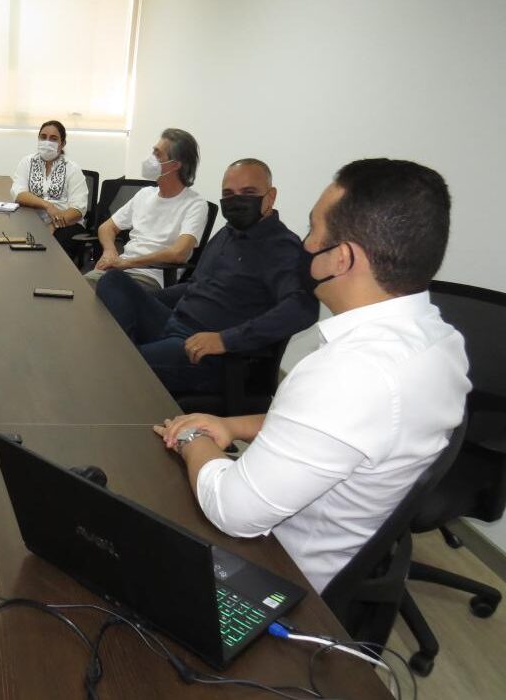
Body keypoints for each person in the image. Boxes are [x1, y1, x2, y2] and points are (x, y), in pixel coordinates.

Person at [157, 158, 470, 593]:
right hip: (327, 543)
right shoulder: (441, 340)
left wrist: (192, 438)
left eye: (313, 230)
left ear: (341, 258)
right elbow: (339, 430)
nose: (305, 245)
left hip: (279, 573)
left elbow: (232, 511)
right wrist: (231, 425)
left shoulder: (350, 373)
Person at [96, 159, 318, 393]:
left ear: (270, 197)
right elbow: (195, 286)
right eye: (228, 194)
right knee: (114, 281)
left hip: (208, 354)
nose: (237, 200)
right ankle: (127, 364)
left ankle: (126, 369)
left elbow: (303, 308)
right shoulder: (228, 233)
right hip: (175, 324)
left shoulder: (281, 247)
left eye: (248, 192)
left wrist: (226, 340)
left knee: (121, 364)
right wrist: (146, 301)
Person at [85, 129, 208, 291]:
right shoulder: (145, 194)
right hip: (118, 270)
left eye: (158, 154)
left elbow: (179, 253)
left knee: (99, 295)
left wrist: (127, 263)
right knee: (77, 290)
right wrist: (109, 251)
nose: (151, 159)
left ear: (175, 165)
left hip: (150, 277)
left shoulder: (195, 204)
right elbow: (107, 227)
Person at [9, 120, 89, 263]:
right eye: (43, 137)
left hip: (66, 224)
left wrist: (53, 225)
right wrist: (47, 205)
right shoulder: (27, 162)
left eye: (53, 139)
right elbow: (19, 194)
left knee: (53, 253)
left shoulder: (73, 169)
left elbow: (78, 210)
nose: (47, 142)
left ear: (62, 144)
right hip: (31, 220)